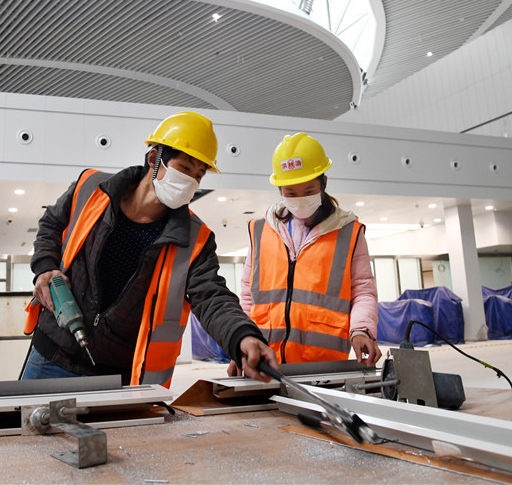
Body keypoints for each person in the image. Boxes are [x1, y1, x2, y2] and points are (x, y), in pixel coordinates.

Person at [22, 111, 277, 387]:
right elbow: (51, 224)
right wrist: (45, 268)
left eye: (199, 175)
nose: (192, 181)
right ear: (155, 159)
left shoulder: (194, 238)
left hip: (118, 373)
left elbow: (211, 296)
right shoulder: (91, 188)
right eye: (185, 168)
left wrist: (242, 335)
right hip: (50, 356)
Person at [228, 132, 381, 376]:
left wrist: (362, 330)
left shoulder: (348, 232)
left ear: (324, 182)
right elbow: (248, 295)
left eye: (308, 190)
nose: (300, 200)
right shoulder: (260, 230)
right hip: (265, 364)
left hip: (325, 366)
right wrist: (240, 342)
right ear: (279, 188)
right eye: (290, 193)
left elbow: (362, 290)